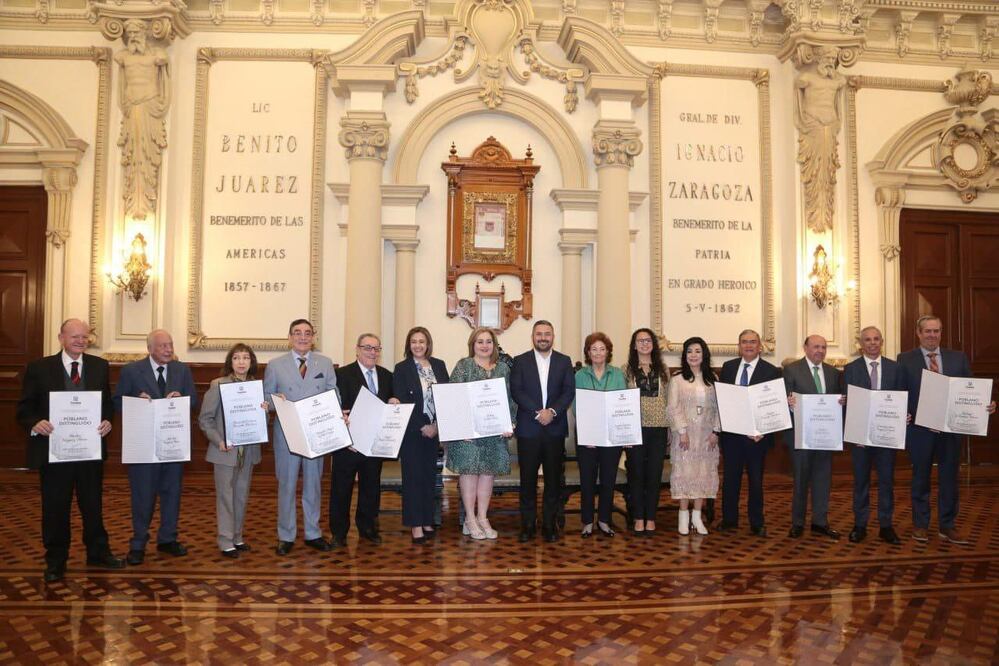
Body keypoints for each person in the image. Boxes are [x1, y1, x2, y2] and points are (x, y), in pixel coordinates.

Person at [16, 318, 124, 582]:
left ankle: (98, 553)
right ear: (61, 337)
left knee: (92, 505)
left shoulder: (100, 366)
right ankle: (55, 560)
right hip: (55, 452)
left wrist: (108, 420)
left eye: (85, 337)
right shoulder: (39, 368)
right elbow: (24, 408)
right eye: (74, 336)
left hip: (89, 451)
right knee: (55, 507)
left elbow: (106, 404)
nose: (80, 341)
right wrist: (35, 423)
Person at [897, 315, 996, 544]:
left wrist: (986, 404)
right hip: (920, 431)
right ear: (919, 334)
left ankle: (947, 525)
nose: (933, 335)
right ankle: (920, 525)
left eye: (937, 331)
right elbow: (899, 392)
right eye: (928, 331)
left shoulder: (957, 358)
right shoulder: (905, 359)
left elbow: (971, 390)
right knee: (920, 477)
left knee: (950, 478)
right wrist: (903, 412)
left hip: (951, 430)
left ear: (941, 333)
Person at [114, 328, 198, 565]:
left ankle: (168, 539)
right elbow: (117, 401)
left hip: (172, 445)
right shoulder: (131, 371)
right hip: (142, 445)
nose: (169, 349)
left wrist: (180, 397)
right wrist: (135, 402)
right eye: (163, 346)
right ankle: (138, 544)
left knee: (172, 494)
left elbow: (193, 399)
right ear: (149, 348)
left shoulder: (182, 370)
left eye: (170, 345)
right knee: (143, 496)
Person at [263, 319, 337, 555]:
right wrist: (276, 401)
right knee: (286, 485)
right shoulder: (275, 365)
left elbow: (334, 394)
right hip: (287, 435)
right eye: (297, 333)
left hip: (316, 434)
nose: (303, 337)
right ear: (290, 337)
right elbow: (266, 399)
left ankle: (313, 533)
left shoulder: (325, 363)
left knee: (313, 485)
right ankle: (286, 535)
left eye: (307, 333)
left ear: (313, 337)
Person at [198, 343, 266, 558]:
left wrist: (264, 411)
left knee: (241, 496)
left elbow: (259, 422)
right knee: (226, 496)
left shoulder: (256, 387)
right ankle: (225, 540)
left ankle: (237, 537)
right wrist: (218, 440)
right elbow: (205, 419)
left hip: (248, 452)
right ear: (230, 362)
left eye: (246, 358)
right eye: (237, 358)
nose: (241, 362)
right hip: (224, 451)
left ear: (251, 362)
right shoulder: (218, 385)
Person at [447, 327, 516, 540]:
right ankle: (469, 518)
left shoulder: (503, 369)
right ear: (473, 345)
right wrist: (461, 427)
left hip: (494, 433)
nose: (484, 345)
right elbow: (453, 397)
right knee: (469, 473)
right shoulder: (463, 366)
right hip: (468, 434)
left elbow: (510, 399)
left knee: (487, 474)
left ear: (494, 345)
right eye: (480, 342)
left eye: (488, 342)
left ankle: (483, 517)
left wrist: (510, 422)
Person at [510, 320, 575, 543]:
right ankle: (527, 525)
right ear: (533, 336)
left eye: (547, 334)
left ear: (553, 336)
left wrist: (553, 412)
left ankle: (549, 525)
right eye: (539, 334)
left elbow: (568, 391)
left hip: (555, 430)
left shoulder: (564, 361)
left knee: (553, 481)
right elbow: (516, 391)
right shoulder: (520, 361)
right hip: (529, 429)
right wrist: (538, 412)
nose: (543, 338)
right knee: (527, 481)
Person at [331, 333, 396, 547]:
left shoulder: (387, 375)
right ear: (357, 349)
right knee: (342, 489)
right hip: (348, 444)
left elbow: (390, 402)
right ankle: (339, 533)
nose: (372, 352)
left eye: (376, 348)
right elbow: (333, 405)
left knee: (371, 488)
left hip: (374, 444)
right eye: (367, 347)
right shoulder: (341, 374)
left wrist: (394, 400)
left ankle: (367, 528)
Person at [717, 329, 781, 538]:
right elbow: (723, 400)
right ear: (739, 346)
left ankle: (757, 522)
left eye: (753, 342)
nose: (748, 345)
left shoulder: (771, 371)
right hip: (732, 436)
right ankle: (729, 520)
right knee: (730, 479)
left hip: (756, 437)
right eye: (744, 342)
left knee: (755, 481)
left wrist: (762, 430)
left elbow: (774, 405)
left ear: (759, 345)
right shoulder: (728, 367)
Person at [843, 326, 903, 545]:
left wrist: (902, 416)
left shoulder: (896, 368)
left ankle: (886, 526)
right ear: (861, 343)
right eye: (867, 339)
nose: (872, 343)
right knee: (861, 481)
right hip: (860, 437)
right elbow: (846, 401)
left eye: (876, 339)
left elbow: (901, 397)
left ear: (882, 341)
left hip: (886, 436)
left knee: (886, 481)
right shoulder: (850, 369)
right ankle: (860, 525)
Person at [783, 334, 843, 540]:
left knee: (822, 479)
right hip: (801, 436)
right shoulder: (791, 370)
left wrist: (841, 402)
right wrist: (788, 402)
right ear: (805, 348)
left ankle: (820, 522)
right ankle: (797, 523)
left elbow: (836, 401)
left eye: (823, 347)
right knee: (801, 480)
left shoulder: (833, 373)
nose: (820, 351)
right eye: (816, 347)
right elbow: (783, 400)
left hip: (826, 437)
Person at [393, 326, 449, 544]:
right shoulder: (402, 368)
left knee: (429, 478)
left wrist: (436, 425)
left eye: (422, 341)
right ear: (409, 344)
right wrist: (422, 426)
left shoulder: (439, 365)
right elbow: (401, 399)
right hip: (412, 431)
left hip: (434, 431)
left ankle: (427, 519)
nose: (418, 345)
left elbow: (446, 396)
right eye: (414, 341)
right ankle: (415, 525)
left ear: (428, 344)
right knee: (413, 479)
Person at [667, 337, 721, 536]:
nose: (693, 355)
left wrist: (716, 431)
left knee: (703, 474)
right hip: (685, 436)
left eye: (697, 351)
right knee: (685, 473)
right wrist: (682, 432)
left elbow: (720, 408)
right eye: (689, 351)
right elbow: (673, 408)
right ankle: (683, 516)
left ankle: (697, 517)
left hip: (707, 436)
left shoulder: (713, 379)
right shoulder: (677, 379)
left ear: (704, 354)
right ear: (684, 355)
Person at [574, 332, 626, 538]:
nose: (598, 352)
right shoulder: (579, 375)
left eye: (601, 349)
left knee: (608, 479)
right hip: (587, 436)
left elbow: (622, 404)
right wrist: (589, 434)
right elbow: (577, 407)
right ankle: (587, 521)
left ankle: (604, 520)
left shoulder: (617, 374)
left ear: (608, 352)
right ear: (588, 352)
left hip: (611, 436)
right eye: (593, 349)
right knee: (587, 480)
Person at [622, 328, 670, 536]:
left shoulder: (663, 370)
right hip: (635, 429)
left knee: (653, 475)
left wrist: (670, 429)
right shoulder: (626, 370)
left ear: (653, 344)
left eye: (648, 340)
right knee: (636, 475)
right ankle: (638, 517)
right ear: (634, 345)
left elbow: (669, 401)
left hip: (659, 428)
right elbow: (620, 402)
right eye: (640, 341)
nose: (644, 344)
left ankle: (651, 517)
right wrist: (623, 433)